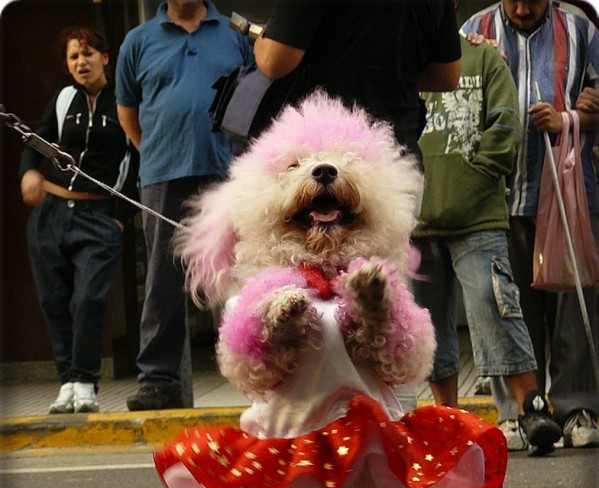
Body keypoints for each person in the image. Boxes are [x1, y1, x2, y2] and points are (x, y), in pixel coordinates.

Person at [413, 6, 562, 455]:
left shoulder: (482, 58)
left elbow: (505, 123)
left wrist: (476, 175)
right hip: (414, 219)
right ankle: (447, 421)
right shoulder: (395, 60)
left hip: (477, 215)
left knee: (495, 302)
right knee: (426, 325)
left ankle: (532, 408)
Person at [462, 0, 599, 448]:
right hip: (494, 197)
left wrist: (571, 118)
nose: (522, 9)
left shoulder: (580, 30)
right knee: (505, 307)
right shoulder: (472, 29)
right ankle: (518, 412)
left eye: (532, 0)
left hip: (566, 194)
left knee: (571, 307)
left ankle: (578, 408)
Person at [115, 0, 253, 411]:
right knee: (163, 279)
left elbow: (253, 102)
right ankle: (159, 380)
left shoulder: (235, 34)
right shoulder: (137, 41)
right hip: (162, 174)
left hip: (228, 171)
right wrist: (158, 153)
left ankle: (261, 372)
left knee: (242, 272)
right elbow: (128, 112)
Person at [19, 27, 137, 415]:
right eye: (73, 57)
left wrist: (120, 219)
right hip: (51, 214)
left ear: (105, 57)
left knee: (87, 300)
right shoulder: (63, 98)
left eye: (88, 54)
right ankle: (67, 381)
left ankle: (86, 382)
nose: (81, 62)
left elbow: (137, 162)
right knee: (54, 301)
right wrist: (29, 173)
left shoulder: (124, 100)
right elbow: (37, 139)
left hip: (98, 216)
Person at [253, 0, 462, 160]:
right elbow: (446, 76)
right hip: (397, 163)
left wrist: (261, 43)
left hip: (321, 161)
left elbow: (275, 62)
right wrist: (390, 72)